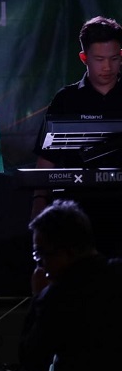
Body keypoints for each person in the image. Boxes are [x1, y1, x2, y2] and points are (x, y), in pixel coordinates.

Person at [31, 16, 122, 256]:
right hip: (78, 211)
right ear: (84, 58)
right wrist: (39, 201)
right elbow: (46, 158)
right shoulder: (66, 99)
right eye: (99, 59)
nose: (107, 67)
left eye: (114, 59)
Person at [19, 199, 122, 371]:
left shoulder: (59, 297)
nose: (41, 264)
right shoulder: (117, 274)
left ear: (69, 250)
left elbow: (32, 362)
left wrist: (38, 297)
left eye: (41, 253)